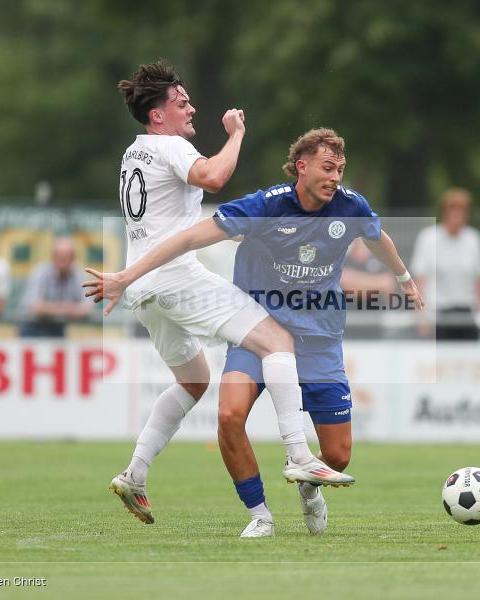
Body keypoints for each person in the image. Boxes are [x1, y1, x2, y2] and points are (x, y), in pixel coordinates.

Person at [86, 129, 423, 538]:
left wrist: (403, 276)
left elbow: (377, 236)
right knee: (229, 417)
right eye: (327, 167)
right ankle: (260, 515)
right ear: (302, 167)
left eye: (340, 169)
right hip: (258, 334)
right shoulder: (267, 205)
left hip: (319, 340)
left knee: (338, 454)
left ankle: (308, 487)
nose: (336, 176)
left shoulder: (350, 207)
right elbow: (193, 236)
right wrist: (129, 273)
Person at [85, 61, 353, 525]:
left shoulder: (134, 153)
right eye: (180, 101)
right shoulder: (169, 146)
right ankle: (297, 455)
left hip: (145, 286)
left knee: (193, 381)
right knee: (278, 341)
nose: (191, 107)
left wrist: (127, 278)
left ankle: (135, 473)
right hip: (175, 277)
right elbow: (213, 177)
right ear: (157, 115)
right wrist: (237, 134)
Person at [410, 188, 480, 340]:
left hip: (467, 313)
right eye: (452, 210)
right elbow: (419, 279)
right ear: (444, 212)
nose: (457, 216)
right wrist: (421, 316)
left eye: (461, 211)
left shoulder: (474, 239)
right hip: (437, 314)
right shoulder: (428, 239)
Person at [20, 237, 91, 337]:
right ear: (53, 257)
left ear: (73, 258)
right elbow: (33, 306)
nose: (62, 261)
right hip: (32, 327)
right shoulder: (41, 272)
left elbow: (87, 309)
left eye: (65, 257)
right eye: (59, 257)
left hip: (58, 329)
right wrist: (66, 308)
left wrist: (49, 308)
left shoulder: (79, 274)